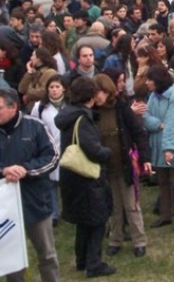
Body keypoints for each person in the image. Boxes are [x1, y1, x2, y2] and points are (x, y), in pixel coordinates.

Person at [0, 86, 60, 282]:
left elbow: (52, 156)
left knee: (47, 255)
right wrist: (3, 171)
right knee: (12, 260)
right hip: (4, 208)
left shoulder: (35, 126)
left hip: (36, 202)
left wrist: (25, 170)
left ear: (13, 108)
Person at [55, 76, 116, 277]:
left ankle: (82, 260)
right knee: (97, 220)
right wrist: (107, 152)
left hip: (72, 176)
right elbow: (92, 149)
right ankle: (93, 263)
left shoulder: (69, 115)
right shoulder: (83, 118)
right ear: (90, 95)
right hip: (87, 176)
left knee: (83, 222)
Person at [94, 73, 152, 258]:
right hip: (105, 167)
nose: (98, 97)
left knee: (131, 205)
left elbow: (138, 132)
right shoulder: (92, 112)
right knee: (113, 206)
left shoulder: (121, 107)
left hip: (125, 165)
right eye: (95, 93)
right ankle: (115, 239)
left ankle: (139, 241)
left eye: (100, 92)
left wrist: (145, 157)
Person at [143, 63, 174, 231]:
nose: (147, 83)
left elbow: (173, 124)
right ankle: (166, 215)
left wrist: (168, 149)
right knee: (162, 181)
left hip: (172, 145)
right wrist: (158, 125)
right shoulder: (153, 95)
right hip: (157, 142)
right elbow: (145, 116)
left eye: (150, 79)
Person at [31, 75, 67, 226]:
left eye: (57, 87)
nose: (54, 90)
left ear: (63, 88)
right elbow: (34, 126)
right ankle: (53, 214)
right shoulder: (40, 107)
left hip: (67, 149)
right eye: (51, 87)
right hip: (48, 150)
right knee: (50, 183)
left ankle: (68, 210)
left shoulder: (70, 105)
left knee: (66, 182)